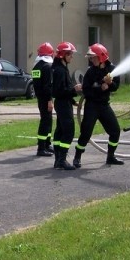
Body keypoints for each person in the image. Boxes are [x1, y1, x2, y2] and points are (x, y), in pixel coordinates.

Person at [73, 43, 124, 168]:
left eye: (94, 57)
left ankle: (110, 156)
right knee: (86, 132)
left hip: (104, 105)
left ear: (101, 57)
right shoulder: (90, 72)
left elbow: (115, 87)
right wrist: (100, 88)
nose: (91, 59)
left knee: (115, 131)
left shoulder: (112, 69)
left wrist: (110, 84)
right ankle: (77, 157)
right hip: (92, 105)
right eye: (91, 57)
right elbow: (86, 91)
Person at [51, 41, 82, 170]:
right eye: (69, 54)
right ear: (63, 55)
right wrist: (74, 90)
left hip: (64, 102)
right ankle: (62, 160)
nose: (71, 57)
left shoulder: (62, 68)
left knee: (60, 131)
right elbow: (58, 91)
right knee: (68, 131)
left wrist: (72, 100)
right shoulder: (59, 71)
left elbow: (63, 89)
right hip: (62, 104)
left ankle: (58, 160)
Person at [32, 42, 55, 157]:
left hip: (40, 97)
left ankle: (46, 144)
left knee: (47, 121)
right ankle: (41, 148)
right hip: (46, 98)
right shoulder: (47, 67)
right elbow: (47, 85)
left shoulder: (36, 66)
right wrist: (49, 100)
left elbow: (37, 85)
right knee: (46, 121)